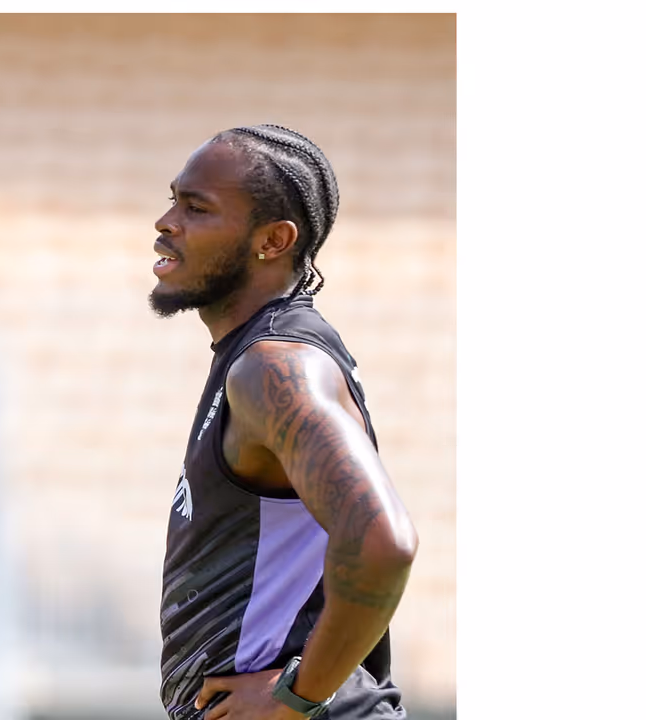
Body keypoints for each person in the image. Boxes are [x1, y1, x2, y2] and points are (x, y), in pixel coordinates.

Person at [150, 125, 419, 720]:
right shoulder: (250, 360)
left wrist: (297, 696)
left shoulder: (276, 366)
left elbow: (383, 542)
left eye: (196, 207)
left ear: (273, 240)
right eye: (172, 199)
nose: (165, 221)